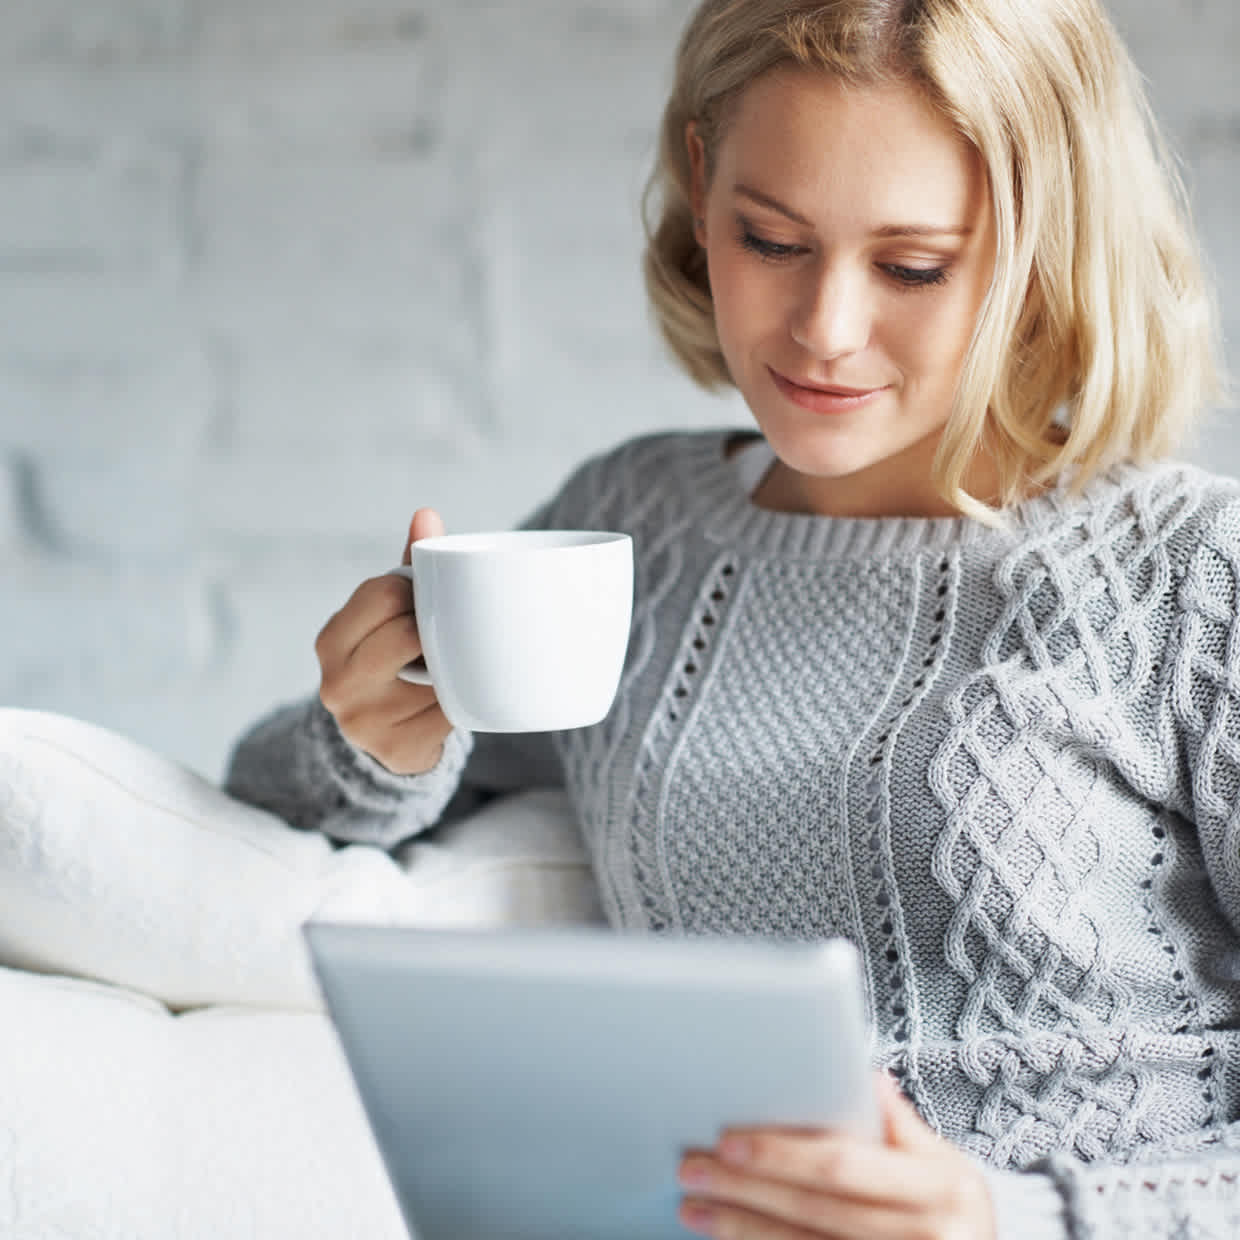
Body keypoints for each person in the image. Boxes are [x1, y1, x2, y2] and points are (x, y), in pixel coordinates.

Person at [225, 0, 1238, 1236]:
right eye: (771, 241)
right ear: (701, 187)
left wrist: (1011, 1216)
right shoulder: (630, 528)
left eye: (913, 264)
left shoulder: (1189, 579)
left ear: (1044, 245)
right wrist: (366, 739)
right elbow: (270, 822)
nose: (824, 329)